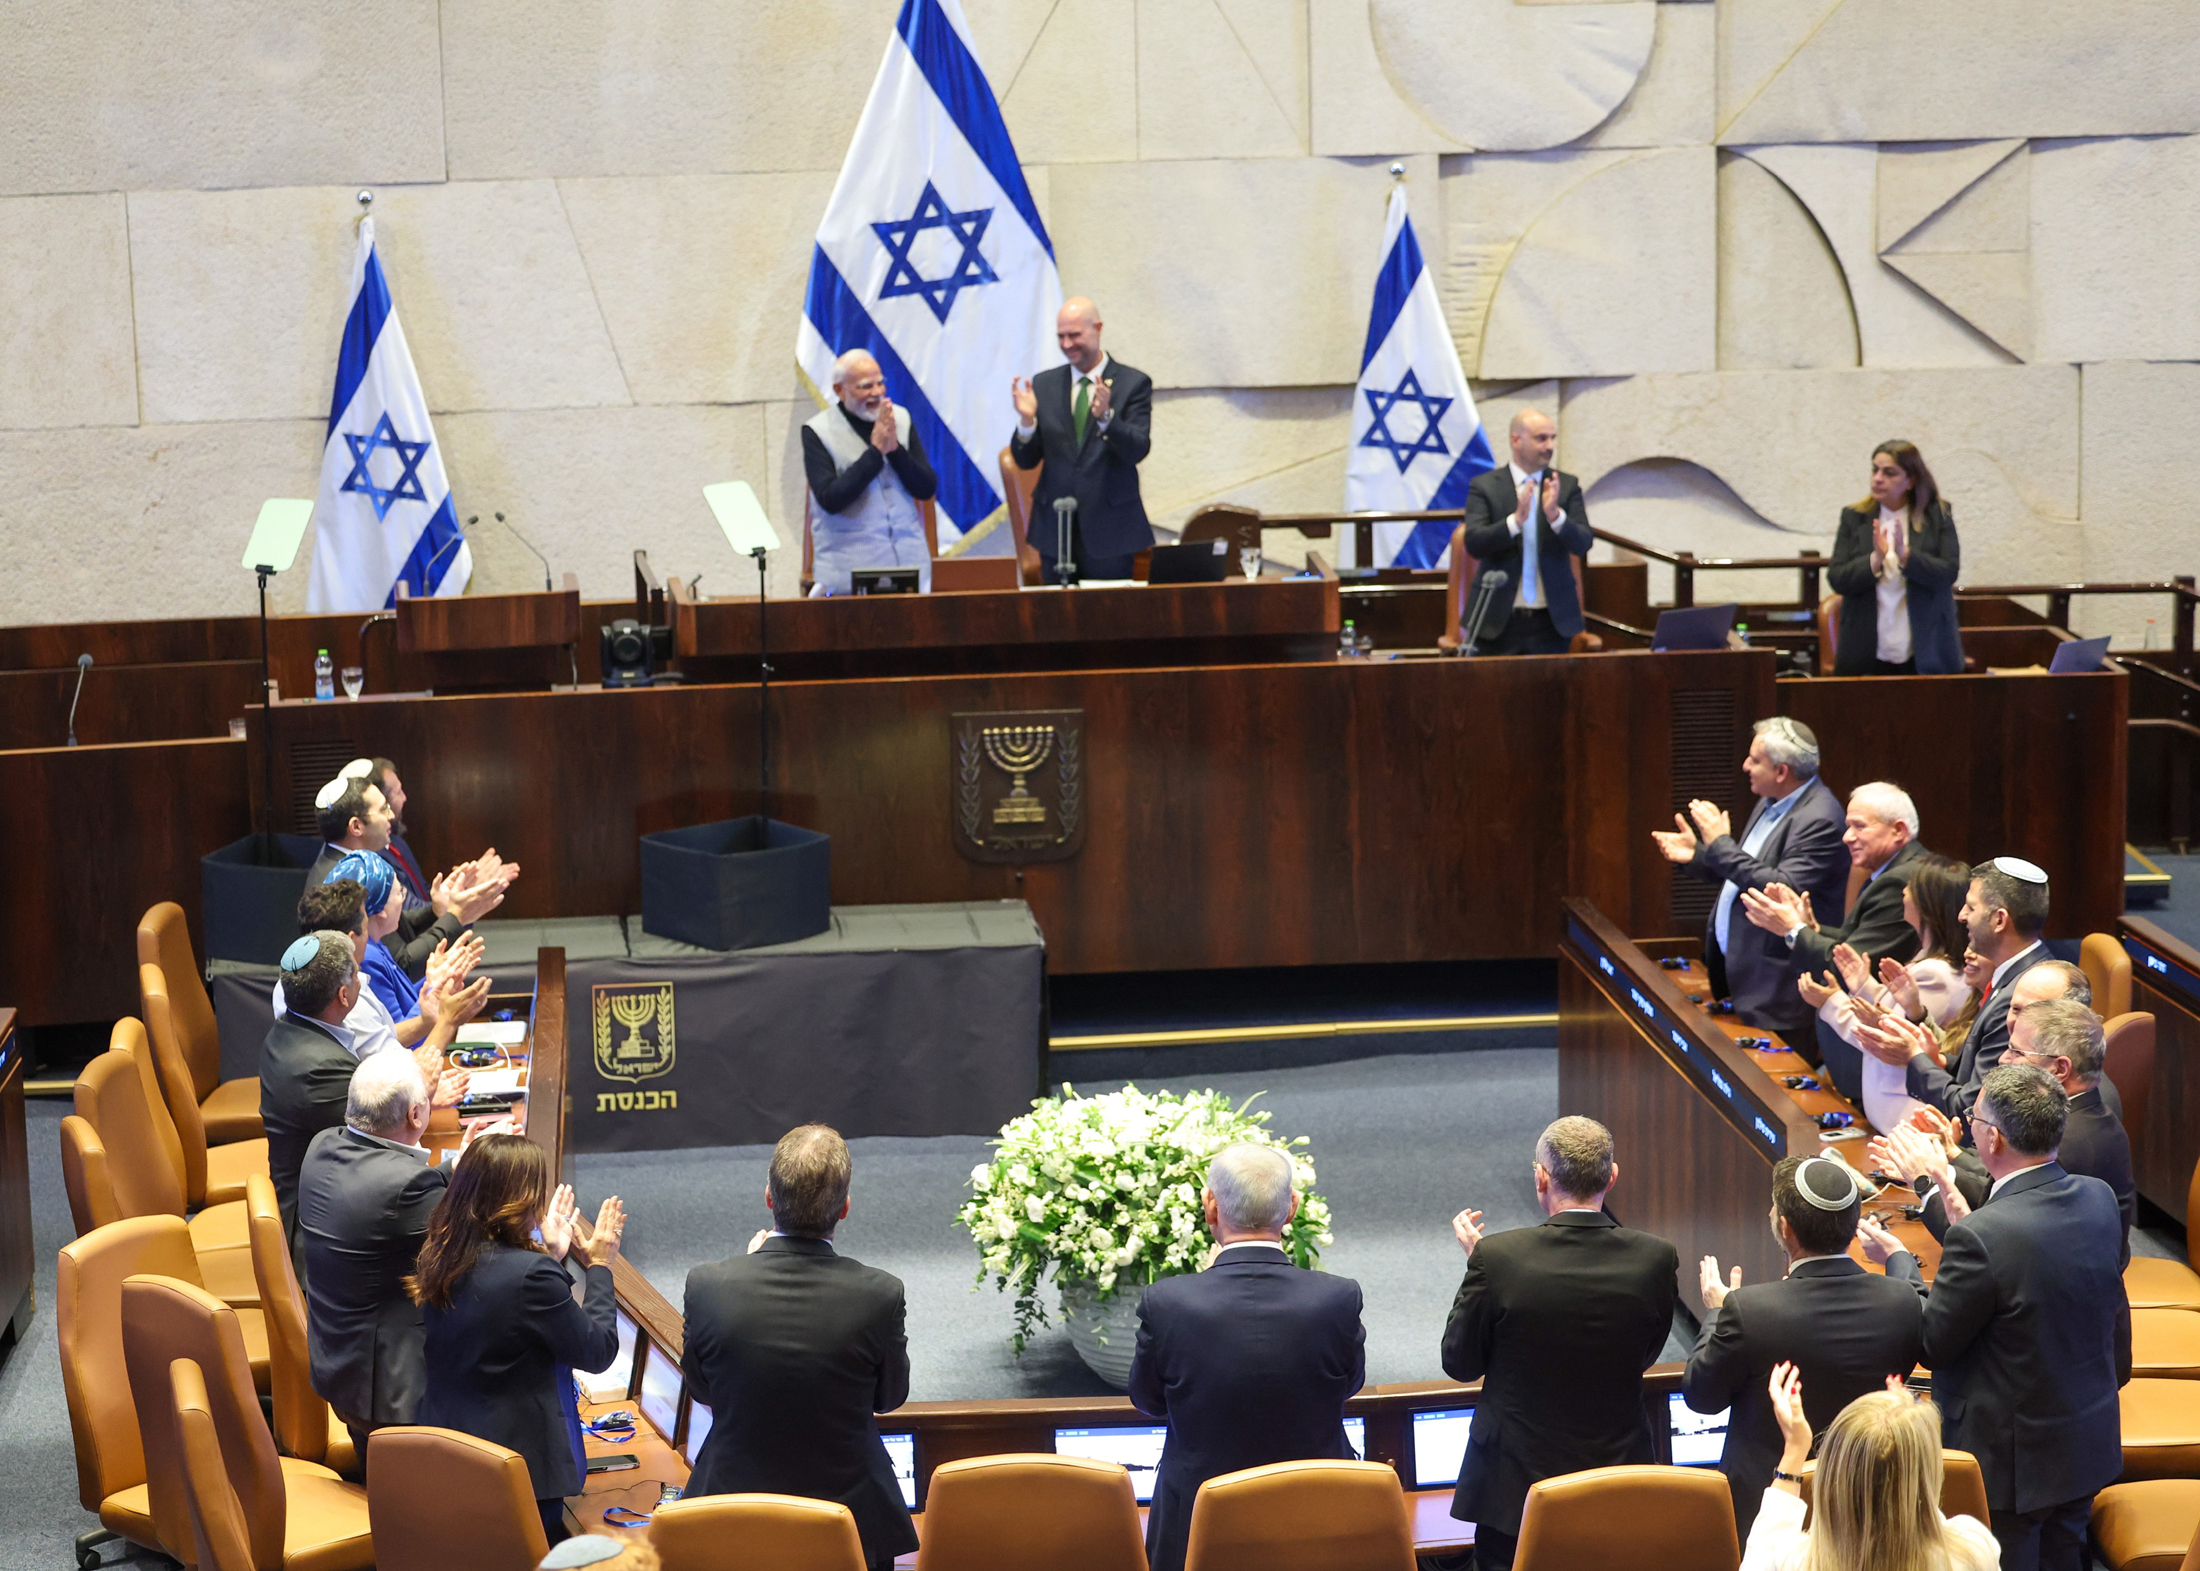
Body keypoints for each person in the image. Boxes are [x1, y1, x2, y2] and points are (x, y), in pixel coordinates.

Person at [1862, 1064, 2131, 1571]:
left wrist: (1899, 1260)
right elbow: (2037, 1277)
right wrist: (1951, 1203)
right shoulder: (2096, 1198)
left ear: (1993, 1138)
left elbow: (1934, 1343)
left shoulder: (1983, 1237)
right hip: (2085, 1440)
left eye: (1974, 1117)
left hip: (2011, 1469)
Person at [1440, 1117, 1678, 1570]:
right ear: (1611, 1177)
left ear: (1541, 1178)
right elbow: (1644, 1355)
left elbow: (1460, 1362)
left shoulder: (1498, 1257)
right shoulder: (1655, 1258)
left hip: (1513, 1492)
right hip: (1615, 1481)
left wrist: (1484, 1272)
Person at [680, 1125, 917, 1571]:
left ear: (769, 1197)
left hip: (733, 1514)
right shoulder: (881, 1294)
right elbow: (889, 1399)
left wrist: (746, 1273)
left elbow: (702, 1389)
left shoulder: (709, 1286)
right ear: (844, 1208)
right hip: (851, 1523)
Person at [1127, 1144, 1366, 1571]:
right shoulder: (1338, 1296)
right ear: (1292, 1207)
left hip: (1197, 1519)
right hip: (1316, 1514)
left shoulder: (1167, 1301)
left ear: (1210, 1206)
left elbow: (1147, 1400)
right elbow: (1348, 1385)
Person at [1683, 1156, 1924, 1538]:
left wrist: (1716, 1312)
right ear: (1851, 1227)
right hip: (1871, 1502)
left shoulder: (1749, 1311)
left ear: (1785, 1228)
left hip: (1771, 1511)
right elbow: (1914, 1294)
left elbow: (1702, 1397)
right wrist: (1898, 1258)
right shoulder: (1902, 1302)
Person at [297, 1053, 513, 1468]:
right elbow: (475, 1245)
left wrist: (458, 1166)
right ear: (416, 1115)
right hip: (392, 1394)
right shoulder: (406, 1187)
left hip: (340, 1368)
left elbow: (391, 1198)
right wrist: (489, 1164)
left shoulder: (322, 1145)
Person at [413, 1135, 625, 1548]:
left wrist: (548, 1256)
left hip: (453, 1451)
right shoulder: (529, 1275)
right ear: (522, 1198)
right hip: (519, 1469)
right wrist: (599, 1266)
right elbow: (597, 1351)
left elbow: (508, 1317)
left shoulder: (442, 1249)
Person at [1875, 995, 2135, 1265]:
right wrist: (1941, 1167)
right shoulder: (2083, 1115)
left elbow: (1985, 1244)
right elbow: (1999, 1192)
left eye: (2017, 1052)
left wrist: (1925, 1180)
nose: (2002, 1059)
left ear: (2059, 1069)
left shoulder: (2064, 1142)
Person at [1653, 717, 1847, 1037]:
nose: (1745, 766)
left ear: (1781, 771)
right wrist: (1700, 855)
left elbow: (1778, 889)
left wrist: (1720, 844)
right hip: (1745, 979)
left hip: (1777, 992)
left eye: (1755, 760)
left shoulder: (1820, 819)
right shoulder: (1771, 802)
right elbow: (1746, 873)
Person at [1741, 782, 1928, 1102]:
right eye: (1847, 826)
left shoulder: (1900, 880)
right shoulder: (1894, 870)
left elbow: (1849, 965)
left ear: (1898, 831)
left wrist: (1793, 931)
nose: (1847, 837)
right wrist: (1809, 927)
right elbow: (1853, 943)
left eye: (1859, 826)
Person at [1739, 1368, 1997, 1571]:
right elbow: (1930, 1527)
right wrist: (1909, 1442)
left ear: (1834, 1476)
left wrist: (1795, 1449)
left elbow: (1763, 1550)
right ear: (1926, 1475)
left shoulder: (1794, 1561)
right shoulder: (1973, 1552)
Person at [1857, 856, 2052, 1124]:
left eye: (1970, 908)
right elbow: (1973, 1069)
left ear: (1999, 920)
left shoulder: (2023, 994)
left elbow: (1973, 1108)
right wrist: (1935, 1058)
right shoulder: (2012, 978)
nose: (1961, 916)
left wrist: (1914, 1058)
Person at [1798, 853, 1978, 1131]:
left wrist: (1830, 1003)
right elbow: (1891, 1014)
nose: (1903, 892)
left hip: (1904, 1113)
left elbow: (1886, 1041)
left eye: (1910, 887)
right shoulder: (1928, 961)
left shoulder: (1935, 974)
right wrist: (1863, 985)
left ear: (1925, 904)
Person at [1011, 297, 1154, 583]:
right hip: (1054, 530)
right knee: (1056, 622)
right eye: (1060, 336)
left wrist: (1106, 418)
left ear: (1097, 329)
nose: (1066, 344)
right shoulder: (1044, 384)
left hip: (1110, 531)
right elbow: (1026, 460)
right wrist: (1027, 422)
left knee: (1108, 621)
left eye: (1074, 335)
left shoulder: (1132, 383)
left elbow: (1136, 450)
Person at [311, 769, 505, 978]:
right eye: (383, 809)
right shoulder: (344, 879)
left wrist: (437, 910)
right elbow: (402, 963)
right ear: (356, 826)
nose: (391, 816)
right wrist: (455, 917)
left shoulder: (351, 863)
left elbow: (398, 927)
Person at [801, 349, 940, 596]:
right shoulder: (817, 431)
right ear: (839, 391)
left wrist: (894, 449)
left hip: (911, 569)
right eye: (865, 386)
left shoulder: (901, 419)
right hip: (847, 577)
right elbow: (830, 499)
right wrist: (875, 452)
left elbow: (926, 488)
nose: (877, 393)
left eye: (880, 383)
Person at [1457, 410, 1594, 656]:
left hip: (1551, 622)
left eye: (1553, 438)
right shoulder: (1485, 486)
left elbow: (1583, 543)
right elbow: (1474, 543)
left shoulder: (1566, 485)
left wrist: (1556, 516)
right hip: (1497, 621)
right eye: (1541, 438)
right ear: (1516, 440)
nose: (1550, 446)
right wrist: (1514, 522)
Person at [1828, 440, 1963, 677]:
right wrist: (1875, 559)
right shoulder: (1855, 516)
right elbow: (1838, 578)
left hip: (1925, 647)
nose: (1878, 478)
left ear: (1911, 481)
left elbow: (1948, 573)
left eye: (1889, 473)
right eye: (1875, 470)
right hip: (1865, 647)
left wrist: (1905, 555)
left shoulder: (1937, 515)